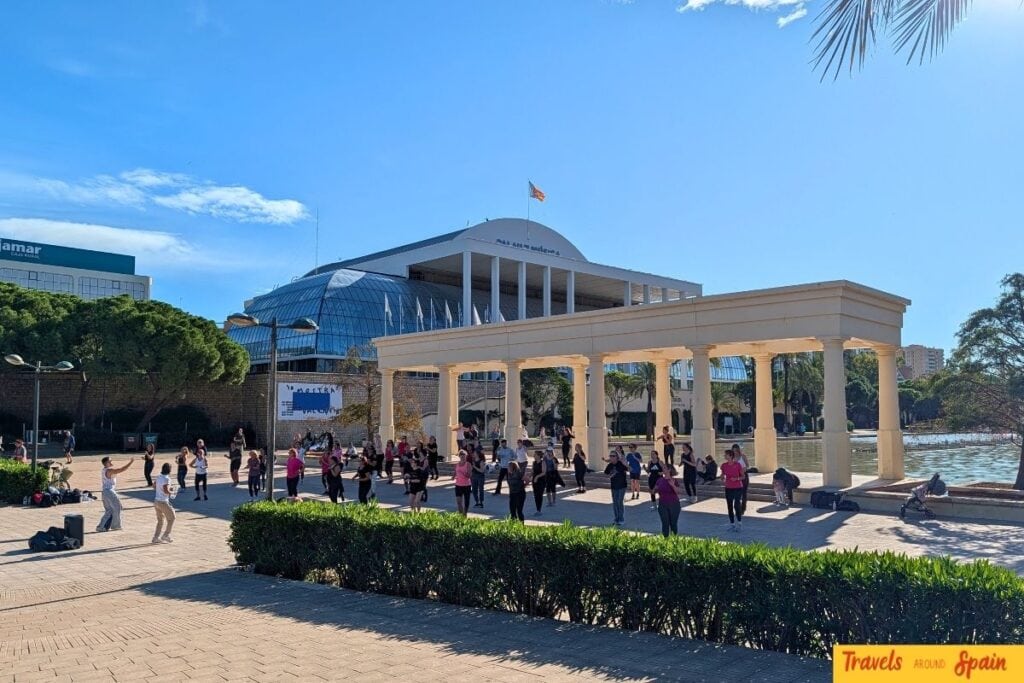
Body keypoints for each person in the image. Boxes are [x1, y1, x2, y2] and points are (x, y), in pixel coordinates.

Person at [96, 456, 134, 532]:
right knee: (117, 507)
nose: (111, 462)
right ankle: (115, 526)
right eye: (110, 461)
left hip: (105, 492)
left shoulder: (104, 470)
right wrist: (130, 462)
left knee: (109, 510)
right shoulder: (109, 470)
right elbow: (121, 470)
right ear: (106, 463)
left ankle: (101, 526)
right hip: (109, 492)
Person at [720, 448, 746, 532]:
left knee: (736, 505)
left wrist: (737, 478)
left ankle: (739, 523)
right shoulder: (724, 465)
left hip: (738, 487)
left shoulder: (738, 465)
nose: (724, 456)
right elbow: (722, 475)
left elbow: (743, 476)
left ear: (731, 456)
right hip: (728, 488)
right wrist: (722, 478)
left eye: (726, 455)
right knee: (729, 506)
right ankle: (732, 524)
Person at [152, 462, 176, 544]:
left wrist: (160, 490)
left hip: (156, 501)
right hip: (163, 501)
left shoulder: (159, 477)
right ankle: (166, 535)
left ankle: (156, 537)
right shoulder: (167, 479)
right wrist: (171, 492)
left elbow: (154, 486)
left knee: (160, 520)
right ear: (169, 470)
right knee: (172, 517)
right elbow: (166, 490)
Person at [655, 466, 682, 537]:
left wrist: (673, 485)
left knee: (673, 524)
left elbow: (678, 492)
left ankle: (674, 540)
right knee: (665, 524)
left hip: (674, 505)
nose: (662, 469)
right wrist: (653, 490)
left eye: (664, 468)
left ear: (669, 470)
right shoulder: (660, 480)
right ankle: (666, 541)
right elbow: (654, 490)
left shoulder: (674, 480)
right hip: (662, 505)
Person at [604, 451, 628, 526]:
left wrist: (625, 463)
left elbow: (630, 469)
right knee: (615, 503)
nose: (611, 457)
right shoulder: (610, 465)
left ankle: (621, 519)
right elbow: (606, 473)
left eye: (613, 456)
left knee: (619, 502)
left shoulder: (620, 464)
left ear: (617, 457)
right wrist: (611, 475)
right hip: (614, 486)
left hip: (622, 486)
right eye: (610, 456)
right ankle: (616, 518)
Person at [732, 443, 751, 515]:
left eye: (736, 450)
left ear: (738, 450)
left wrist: (743, 469)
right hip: (736, 477)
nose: (735, 452)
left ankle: (743, 509)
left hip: (744, 475)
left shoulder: (743, 456)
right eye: (733, 451)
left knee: (743, 493)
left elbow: (748, 465)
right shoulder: (732, 458)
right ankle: (737, 507)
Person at [453, 449, 472, 516]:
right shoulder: (457, 464)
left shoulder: (468, 464)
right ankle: (461, 515)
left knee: (466, 501)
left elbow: (469, 475)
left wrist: (464, 474)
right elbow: (455, 472)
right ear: (459, 457)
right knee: (459, 502)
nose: (463, 458)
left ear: (466, 456)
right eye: (461, 456)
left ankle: (465, 514)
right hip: (458, 485)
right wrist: (453, 477)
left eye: (464, 456)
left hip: (466, 485)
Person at [530, 451, 547, 516]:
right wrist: (529, 476)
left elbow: (544, 472)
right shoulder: (534, 462)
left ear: (539, 456)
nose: (534, 456)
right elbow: (532, 471)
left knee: (539, 495)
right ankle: (537, 509)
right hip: (534, 481)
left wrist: (537, 476)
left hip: (541, 481)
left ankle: (539, 510)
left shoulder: (543, 462)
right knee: (536, 495)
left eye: (535, 455)